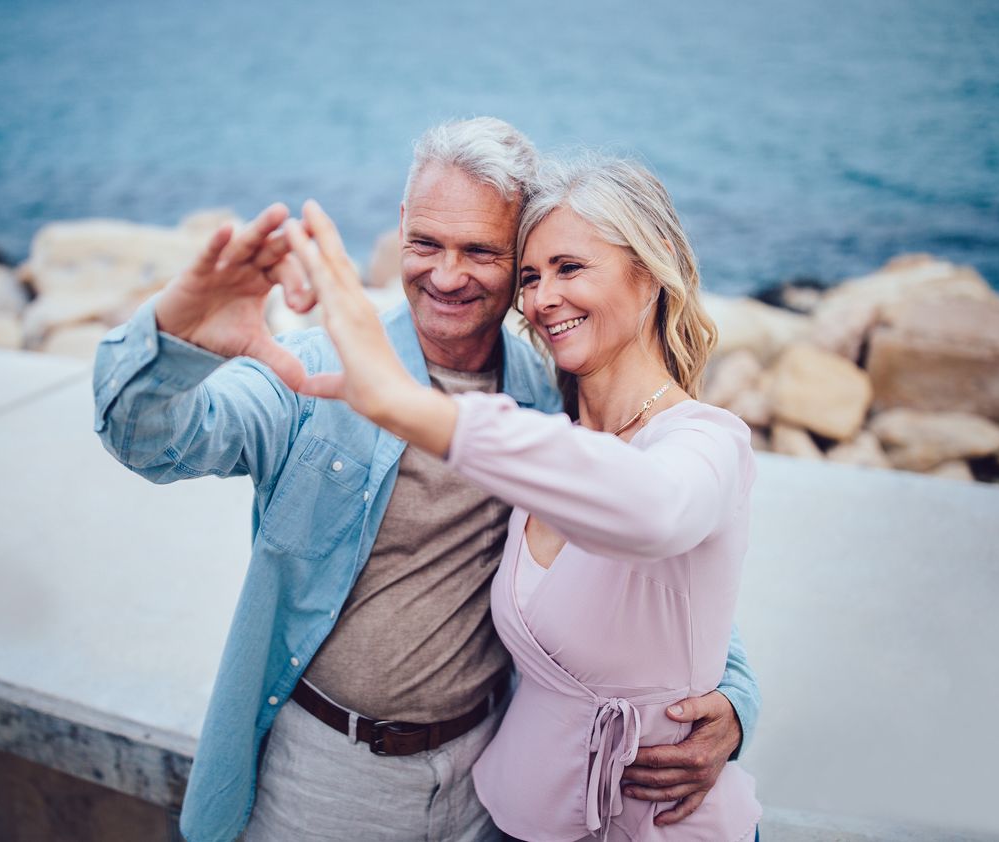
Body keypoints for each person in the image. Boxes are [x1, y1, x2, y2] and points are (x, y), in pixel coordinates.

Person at [92, 119, 760, 842]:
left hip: (482, 782)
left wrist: (732, 696)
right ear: (401, 228)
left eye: (481, 252)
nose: (446, 275)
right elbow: (151, 442)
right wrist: (178, 334)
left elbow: (655, 571)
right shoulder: (315, 370)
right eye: (426, 245)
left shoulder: (548, 395)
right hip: (326, 776)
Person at [279, 153, 761, 841]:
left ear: (650, 273)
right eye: (530, 277)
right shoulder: (545, 428)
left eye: (570, 268)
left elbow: (657, 515)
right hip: (504, 821)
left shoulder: (708, 443)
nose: (541, 300)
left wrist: (411, 407)